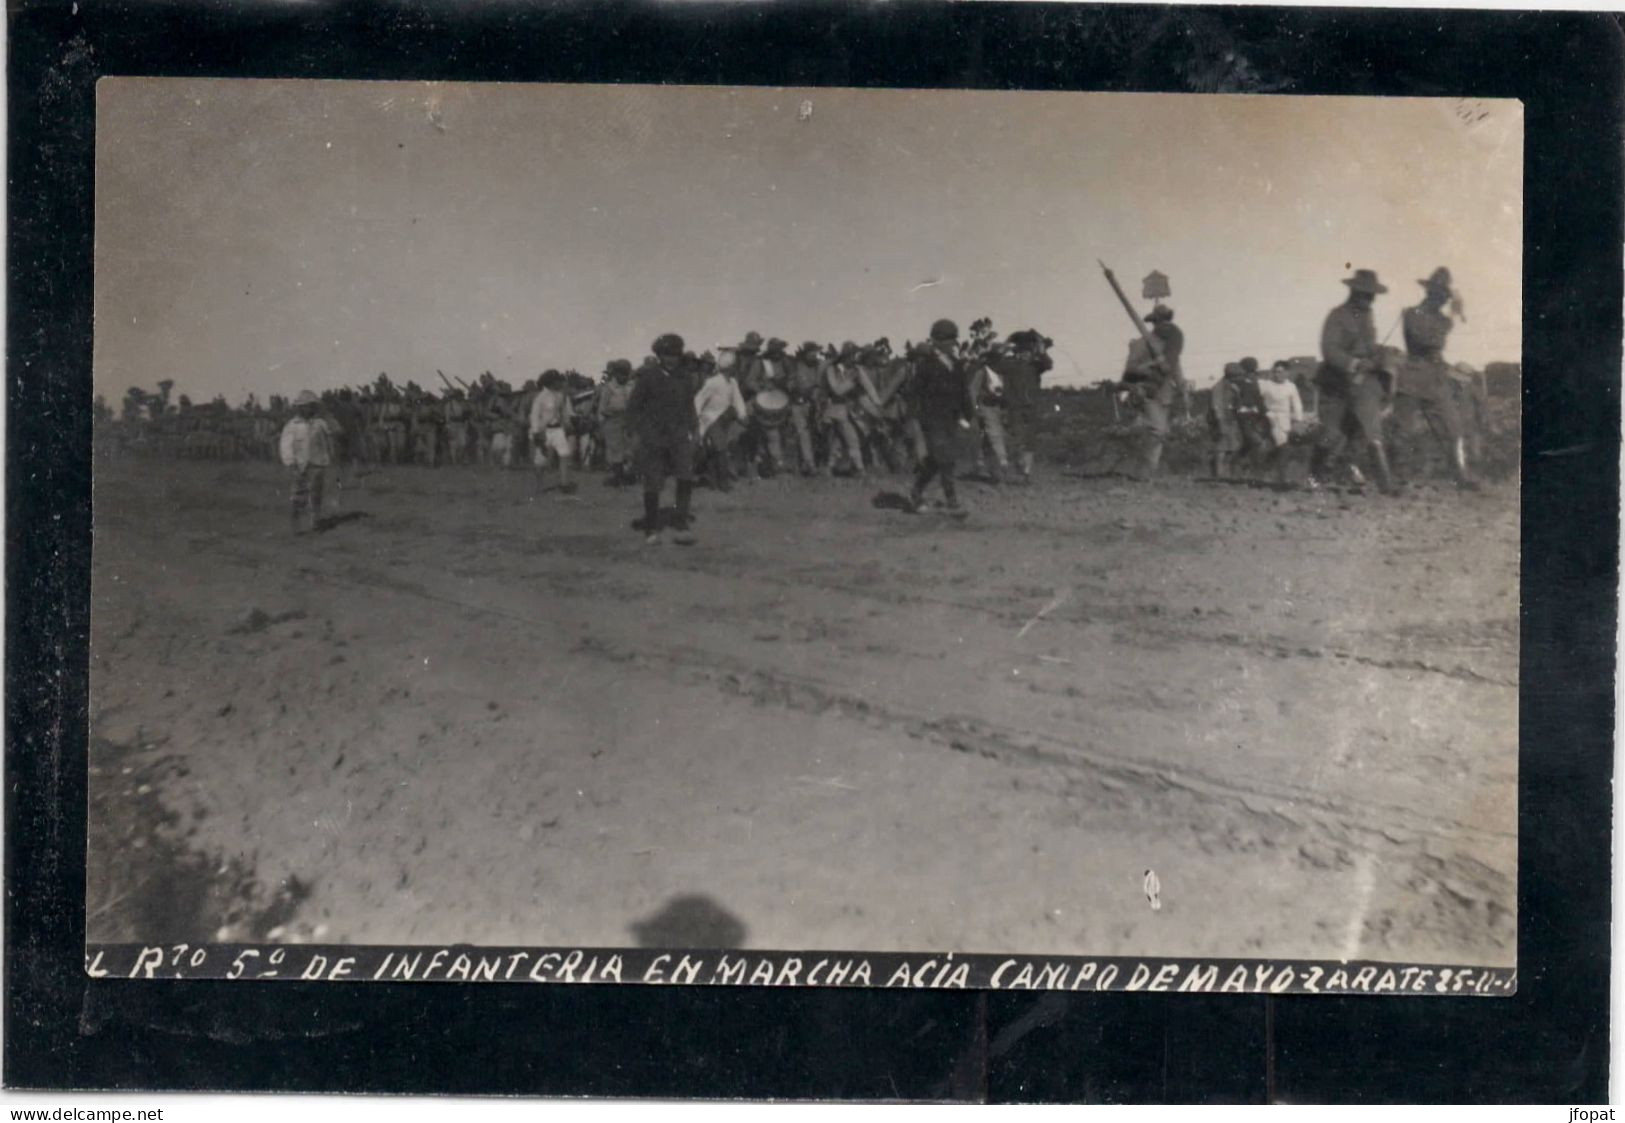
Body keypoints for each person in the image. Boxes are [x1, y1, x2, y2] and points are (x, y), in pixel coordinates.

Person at [1310, 268, 1396, 494]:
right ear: (1354, 292)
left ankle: (1386, 484)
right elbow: (1329, 350)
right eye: (1367, 294)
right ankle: (1314, 476)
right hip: (1335, 384)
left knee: (1371, 429)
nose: (1371, 299)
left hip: (1362, 384)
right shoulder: (1337, 316)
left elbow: (1369, 348)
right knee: (1331, 435)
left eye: (1373, 295)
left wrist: (1378, 358)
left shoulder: (1368, 316)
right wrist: (1355, 364)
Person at [1397, 266, 1477, 488]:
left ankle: (1460, 475)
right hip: (1412, 378)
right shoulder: (1412, 314)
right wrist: (1452, 316)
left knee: (1453, 428)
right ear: (1429, 293)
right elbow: (1429, 341)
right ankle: (1399, 477)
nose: (1442, 300)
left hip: (1435, 380)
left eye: (1445, 296)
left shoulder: (1440, 318)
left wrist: (1453, 314)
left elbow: (1438, 338)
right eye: (1439, 295)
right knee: (1404, 431)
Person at [627, 333, 699, 544]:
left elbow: (689, 406)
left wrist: (694, 430)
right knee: (653, 482)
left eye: (675, 354)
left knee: (685, 476)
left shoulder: (685, 377)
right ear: (659, 355)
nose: (671, 359)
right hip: (654, 437)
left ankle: (681, 524)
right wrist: (635, 433)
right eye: (667, 354)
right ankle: (651, 528)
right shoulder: (648, 377)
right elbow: (633, 408)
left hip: (679, 435)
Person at [905, 319, 976, 516]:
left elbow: (964, 392)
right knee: (946, 459)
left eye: (954, 339)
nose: (953, 344)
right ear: (936, 341)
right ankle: (952, 502)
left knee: (936, 462)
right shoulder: (926, 365)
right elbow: (914, 394)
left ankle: (916, 492)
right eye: (948, 340)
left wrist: (968, 414)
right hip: (931, 420)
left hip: (951, 420)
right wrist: (912, 419)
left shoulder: (957, 364)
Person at [1121, 305, 1185, 477]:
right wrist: (1151, 366)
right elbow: (1130, 370)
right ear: (1154, 323)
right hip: (1145, 391)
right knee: (1157, 429)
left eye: (1167, 322)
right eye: (1160, 322)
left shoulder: (1170, 347)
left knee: (1160, 431)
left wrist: (1182, 388)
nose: (1165, 326)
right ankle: (1142, 472)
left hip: (1165, 393)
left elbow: (1175, 369)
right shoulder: (1141, 344)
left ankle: (1148, 472)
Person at [988, 330, 1051, 483]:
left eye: (1028, 351)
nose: (1026, 354)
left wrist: (1042, 350)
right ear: (1018, 352)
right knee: (1017, 436)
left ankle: (1026, 471)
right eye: (1023, 351)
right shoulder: (1010, 364)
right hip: (1014, 407)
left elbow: (1048, 364)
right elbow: (992, 363)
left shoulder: (1036, 366)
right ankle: (1019, 465)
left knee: (1030, 440)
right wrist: (1003, 347)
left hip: (1031, 407)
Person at [278, 390, 339, 534]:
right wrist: (291, 462)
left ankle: (315, 522)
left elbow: (329, 439)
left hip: (317, 463)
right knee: (298, 495)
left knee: (316, 494)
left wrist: (329, 455)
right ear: (299, 407)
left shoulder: (320, 423)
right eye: (305, 406)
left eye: (311, 406)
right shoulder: (293, 425)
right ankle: (296, 525)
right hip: (299, 465)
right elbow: (285, 445)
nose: (309, 409)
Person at [820, 342, 880, 477]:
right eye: (852, 356)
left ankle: (829, 467)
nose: (854, 358)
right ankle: (859, 469)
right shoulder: (832, 369)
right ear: (845, 356)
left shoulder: (857, 369)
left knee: (839, 440)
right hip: (836, 409)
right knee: (852, 437)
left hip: (853, 409)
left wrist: (877, 404)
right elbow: (837, 391)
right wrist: (852, 381)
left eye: (855, 355)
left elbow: (869, 387)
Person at [695, 348, 748, 492]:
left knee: (715, 449)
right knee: (720, 448)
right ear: (728, 368)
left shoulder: (732, 382)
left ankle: (712, 479)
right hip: (711, 419)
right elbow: (699, 399)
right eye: (733, 367)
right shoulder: (712, 382)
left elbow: (737, 399)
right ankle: (723, 482)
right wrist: (696, 417)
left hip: (724, 419)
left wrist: (742, 414)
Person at [1257, 359, 1306, 482]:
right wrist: (1266, 413)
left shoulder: (1291, 386)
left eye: (1281, 372)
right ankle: (1282, 477)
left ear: (1287, 373)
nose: (1278, 374)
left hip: (1286, 419)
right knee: (1283, 446)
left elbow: (1297, 404)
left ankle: (1272, 470)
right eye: (1276, 371)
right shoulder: (1265, 385)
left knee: (1286, 447)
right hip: (1271, 417)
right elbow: (1257, 400)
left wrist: (1299, 420)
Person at [528, 369, 576, 494]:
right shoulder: (540, 397)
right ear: (550, 382)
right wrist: (536, 432)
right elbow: (534, 415)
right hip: (544, 430)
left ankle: (564, 484)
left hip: (558, 429)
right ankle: (539, 486)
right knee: (540, 460)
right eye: (557, 381)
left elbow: (562, 412)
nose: (560, 383)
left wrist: (567, 424)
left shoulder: (560, 396)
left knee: (564, 454)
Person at [785, 341, 825, 475]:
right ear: (805, 354)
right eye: (811, 352)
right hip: (798, 404)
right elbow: (789, 384)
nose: (814, 355)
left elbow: (820, 385)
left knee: (812, 435)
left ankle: (804, 464)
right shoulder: (796, 367)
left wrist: (816, 394)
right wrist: (796, 389)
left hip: (814, 405)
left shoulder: (818, 367)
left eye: (815, 353)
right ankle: (810, 465)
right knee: (803, 434)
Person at [595, 359, 636, 485]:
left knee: (630, 446)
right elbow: (602, 407)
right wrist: (602, 423)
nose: (623, 376)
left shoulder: (631, 386)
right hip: (613, 420)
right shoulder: (609, 387)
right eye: (620, 373)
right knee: (615, 448)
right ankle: (617, 476)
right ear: (615, 374)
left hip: (628, 418)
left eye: (625, 373)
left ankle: (629, 473)